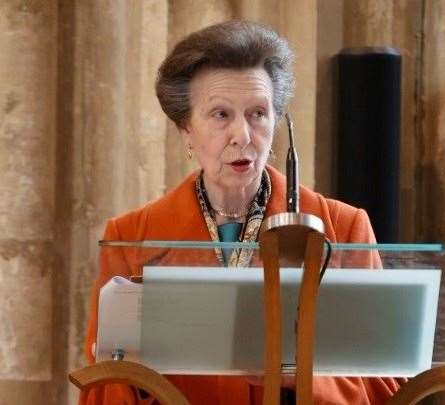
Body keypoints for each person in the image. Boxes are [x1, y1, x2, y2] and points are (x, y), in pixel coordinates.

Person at [80, 20, 404, 405]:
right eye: (220, 115)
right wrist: (136, 379)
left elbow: (386, 386)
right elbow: (103, 388)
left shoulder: (344, 227)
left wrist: (299, 379)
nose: (243, 135)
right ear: (186, 129)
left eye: (257, 114)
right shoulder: (131, 237)